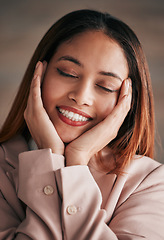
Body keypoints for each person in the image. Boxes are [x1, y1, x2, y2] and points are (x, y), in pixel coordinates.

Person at [0, 9, 163, 240]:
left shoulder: (150, 182)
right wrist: (50, 157)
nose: (81, 96)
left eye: (106, 86)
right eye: (67, 73)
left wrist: (76, 161)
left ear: (126, 102)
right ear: (40, 72)